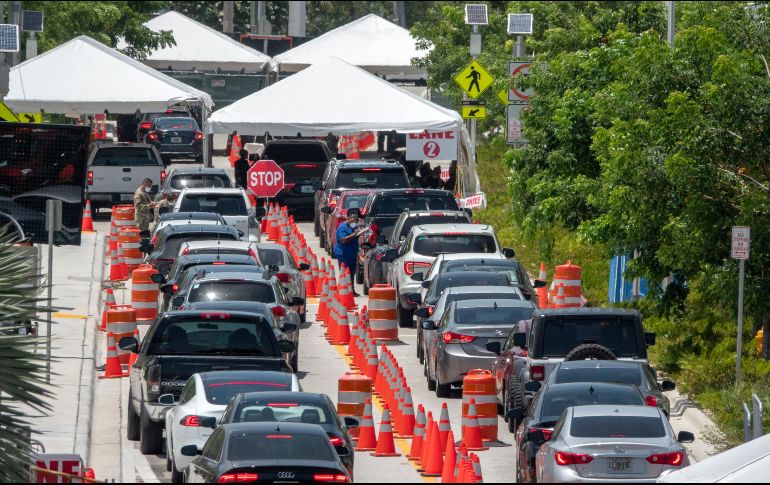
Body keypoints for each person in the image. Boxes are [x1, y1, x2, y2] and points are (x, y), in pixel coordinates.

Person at [334, 208, 363, 296]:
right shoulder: (343, 228)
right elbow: (343, 240)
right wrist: (354, 235)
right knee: (345, 273)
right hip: (344, 254)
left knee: (352, 273)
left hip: (352, 254)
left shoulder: (352, 227)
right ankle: (344, 291)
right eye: (354, 221)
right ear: (350, 219)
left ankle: (351, 290)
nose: (355, 222)